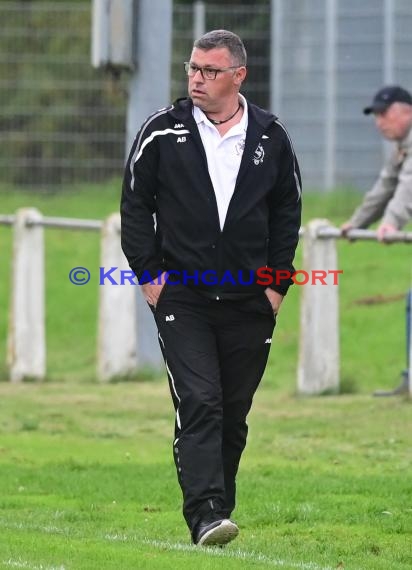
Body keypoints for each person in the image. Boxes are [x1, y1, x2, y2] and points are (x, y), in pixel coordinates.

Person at [120, 30, 301, 546]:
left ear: (238, 76)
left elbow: (288, 210)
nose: (197, 79)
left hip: (250, 299)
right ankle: (203, 515)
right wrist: (150, 275)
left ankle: (220, 509)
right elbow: (135, 204)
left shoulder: (271, 135)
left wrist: (277, 284)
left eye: (210, 71)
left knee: (233, 413)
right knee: (200, 400)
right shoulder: (162, 130)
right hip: (183, 297)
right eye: (192, 69)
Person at [341, 85, 412, 241]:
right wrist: (357, 223)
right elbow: (385, 186)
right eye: (376, 116)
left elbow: (409, 185)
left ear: (408, 112)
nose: (379, 123)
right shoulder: (402, 147)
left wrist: (391, 222)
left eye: (384, 113)